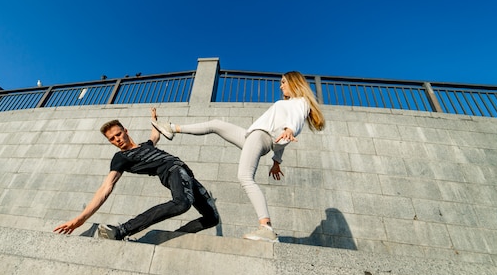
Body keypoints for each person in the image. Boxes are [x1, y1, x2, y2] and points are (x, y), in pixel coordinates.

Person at [152, 71, 325, 242]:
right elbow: (280, 135)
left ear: (294, 83)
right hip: (252, 137)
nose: (281, 86)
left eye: (283, 82)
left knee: (245, 177)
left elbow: (293, 121)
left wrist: (290, 130)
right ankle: (171, 127)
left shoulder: (300, 102)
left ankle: (266, 228)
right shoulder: (288, 105)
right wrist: (276, 161)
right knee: (216, 124)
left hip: (260, 137)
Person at [53, 108, 219, 240]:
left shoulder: (146, 145)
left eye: (118, 134)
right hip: (172, 171)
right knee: (182, 203)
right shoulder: (121, 158)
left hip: (188, 176)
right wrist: (81, 218)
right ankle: (122, 230)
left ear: (125, 131)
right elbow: (106, 186)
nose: (117, 139)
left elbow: (155, 135)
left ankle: (176, 236)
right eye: (112, 139)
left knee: (212, 218)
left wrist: (154, 119)